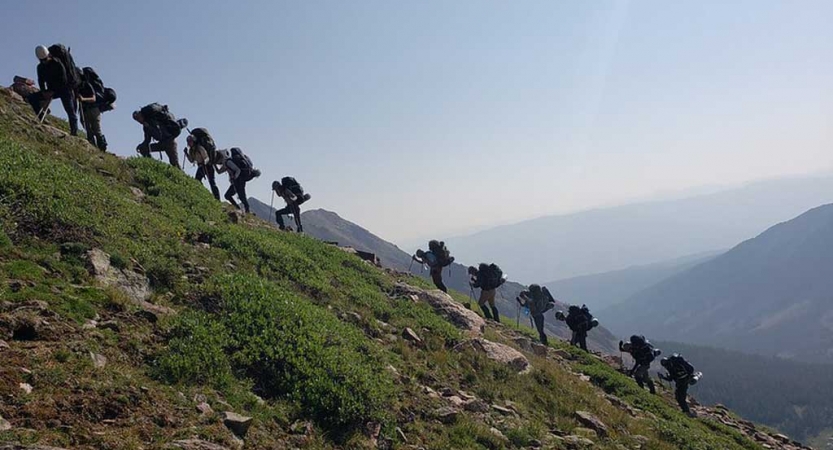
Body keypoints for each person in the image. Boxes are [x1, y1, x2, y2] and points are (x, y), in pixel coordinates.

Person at [33, 45, 78, 135]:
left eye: (45, 59)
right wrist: (44, 91)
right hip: (51, 90)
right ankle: (42, 117)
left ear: (49, 55)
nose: (44, 62)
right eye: (42, 60)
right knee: (32, 98)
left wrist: (52, 91)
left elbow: (63, 80)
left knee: (70, 110)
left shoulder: (58, 63)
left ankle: (74, 132)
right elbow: (40, 80)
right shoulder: (40, 67)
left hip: (64, 89)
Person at [133, 103, 186, 168]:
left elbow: (159, 135)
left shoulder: (152, 121)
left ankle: (179, 176)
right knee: (143, 149)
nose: (139, 120)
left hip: (170, 142)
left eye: (138, 118)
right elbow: (147, 140)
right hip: (161, 143)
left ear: (141, 115)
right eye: (137, 119)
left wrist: (149, 127)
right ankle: (151, 166)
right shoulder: (145, 125)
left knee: (174, 163)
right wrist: (141, 145)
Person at [218, 148, 260, 213]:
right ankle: (243, 209)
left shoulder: (228, 162)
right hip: (241, 180)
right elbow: (219, 171)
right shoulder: (230, 161)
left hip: (238, 180)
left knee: (235, 195)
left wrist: (234, 177)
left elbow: (238, 170)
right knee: (238, 195)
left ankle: (243, 209)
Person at [185, 128, 221, 200]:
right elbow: (191, 160)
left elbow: (206, 157)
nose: (189, 143)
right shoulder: (191, 150)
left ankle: (217, 199)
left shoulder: (200, 148)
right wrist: (186, 154)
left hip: (207, 166)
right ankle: (203, 195)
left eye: (190, 141)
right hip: (201, 166)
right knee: (197, 181)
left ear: (194, 141)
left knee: (212, 183)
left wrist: (205, 162)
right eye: (188, 142)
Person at [78, 70, 106, 151]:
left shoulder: (87, 85)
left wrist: (83, 99)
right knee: (90, 131)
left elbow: (93, 99)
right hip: (87, 110)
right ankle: (95, 148)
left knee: (97, 130)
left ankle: (102, 149)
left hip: (93, 109)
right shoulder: (80, 86)